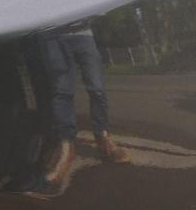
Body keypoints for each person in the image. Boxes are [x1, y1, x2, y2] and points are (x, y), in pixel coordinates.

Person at [39, 20, 130, 186]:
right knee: (61, 91)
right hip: (51, 33)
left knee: (97, 88)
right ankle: (66, 147)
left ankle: (103, 137)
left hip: (82, 32)